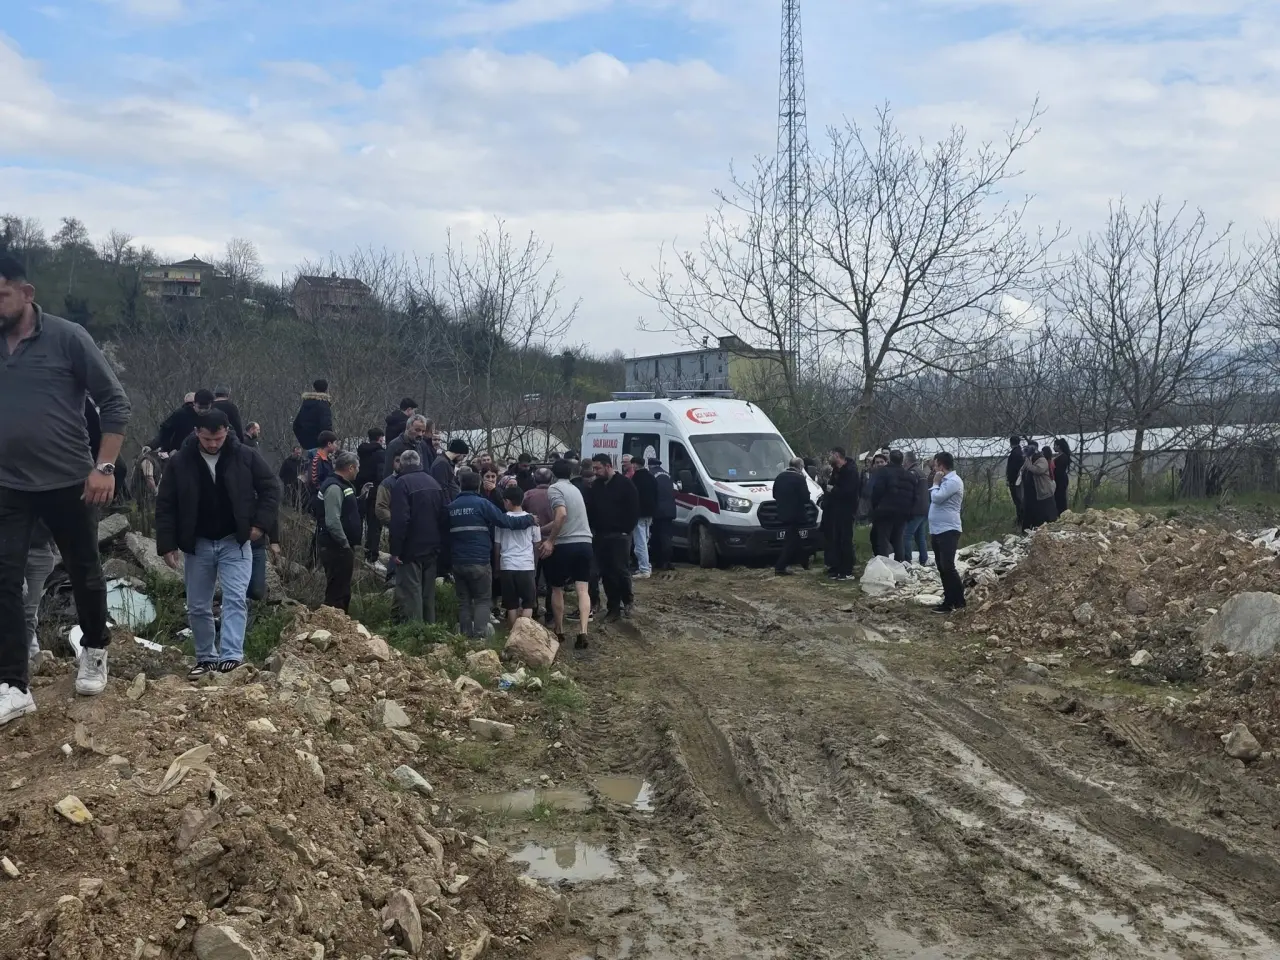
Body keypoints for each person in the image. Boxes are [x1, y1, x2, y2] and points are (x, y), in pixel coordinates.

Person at [0, 256, 131, 723]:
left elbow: (115, 402)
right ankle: (13, 684)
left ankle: (95, 649)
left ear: (27, 292)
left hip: (70, 481)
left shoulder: (67, 337)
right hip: (9, 484)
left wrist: (105, 466)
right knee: (3, 579)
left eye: (2, 296)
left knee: (84, 570)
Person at [155, 410, 280, 676]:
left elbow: (271, 487)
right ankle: (206, 658)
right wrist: (167, 543)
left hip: (234, 540)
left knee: (235, 598)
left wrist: (260, 524)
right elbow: (166, 504)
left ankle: (232, 656)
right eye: (208, 438)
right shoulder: (180, 462)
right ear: (197, 432)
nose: (213, 444)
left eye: (218, 438)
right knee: (198, 604)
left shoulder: (245, 456)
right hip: (197, 543)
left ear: (226, 432)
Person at [448, 469, 536, 639]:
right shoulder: (482, 504)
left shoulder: (451, 507)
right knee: (482, 599)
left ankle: (464, 637)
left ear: (460, 485)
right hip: (480, 560)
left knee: (464, 601)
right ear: (479, 485)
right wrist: (529, 519)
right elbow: (505, 521)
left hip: (458, 561)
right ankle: (480, 637)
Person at [389, 449, 449, 623]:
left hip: (411, 548)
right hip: (433, 546)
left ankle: (415, 631)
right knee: (427, 592)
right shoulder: (434, 482)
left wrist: (396, 550)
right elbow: (444, 514)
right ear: (419, 462)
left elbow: (400, 520)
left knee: (411, 592)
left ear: (402, 464)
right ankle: (430, 628)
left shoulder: (402, 483)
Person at [541, 458, 595, 649]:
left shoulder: (554, 489)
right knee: (583, 589)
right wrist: (542, 529)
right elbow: (564, 518)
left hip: (565, 545)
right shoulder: (575, 490)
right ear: (571, 474)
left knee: (557, 588)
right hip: (585, 543)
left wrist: (550, 540)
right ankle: (583, 631)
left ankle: (560, 629)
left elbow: (561, 515)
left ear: (553, 474)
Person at [590, 454, 639, 622]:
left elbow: (633, 509)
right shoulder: (596, 486)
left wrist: (626, 530)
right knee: (606, 573)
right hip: (601, 534)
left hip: (620, 535)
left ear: (608, 466)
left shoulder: (625, 485)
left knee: (620, 570)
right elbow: (591, 508)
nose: (595, 472)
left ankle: (628, 600)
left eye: (598, 468)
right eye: (594, 468)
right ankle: (613, 608)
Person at [315, 450, 361, 611]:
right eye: (357, 468)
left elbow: (345, 511)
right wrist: (344, 543)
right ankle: (332, 627)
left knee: (343, 590)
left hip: (340, 547)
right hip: (336, 547)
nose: (358, 471)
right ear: (350, 468)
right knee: (337, 592)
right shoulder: (334, 487)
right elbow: (333, 520)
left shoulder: (341, 485)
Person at [496, 485, 542, 624]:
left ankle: (513, 632)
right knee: (528, 602)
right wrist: (534, 564)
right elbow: (537, 544)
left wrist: (497, 567)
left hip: (507, 565)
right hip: (526, 565)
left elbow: (497, 545)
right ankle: (524, 631)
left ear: (508, 501)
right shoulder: (533, 520)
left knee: (511, 603)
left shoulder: (501, 520)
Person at [928, 452, 965, 613]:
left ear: (941, 466)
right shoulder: (944, 481)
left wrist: (935, 483)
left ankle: (957, 600)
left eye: (935, 465)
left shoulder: (953, 481)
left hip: (948, 529)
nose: (934, 469)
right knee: (941, 567)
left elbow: (937, 498)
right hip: (937, 529)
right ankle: (949, 599)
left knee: (947, 566)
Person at [523, 467, 557, 622]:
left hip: (532, 543)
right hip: (553, 540)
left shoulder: (528, 495)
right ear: (551, 480)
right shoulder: (556, 494)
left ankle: (533, 609)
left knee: (533, 578)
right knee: (552, 581)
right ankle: (551, 614)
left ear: (535, 480)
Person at [870, 450, 916, 561]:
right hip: (903, 512)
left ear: (889, 459)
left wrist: (876, 507)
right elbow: (914, 496)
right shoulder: (910, 476)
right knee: (898, 540)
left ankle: (884, 566)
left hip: (885, 511)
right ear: (902, 461)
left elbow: (877, 492)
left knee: (883, 540)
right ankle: (899, 562)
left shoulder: (884, 472)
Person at [23, 524, 59, 663]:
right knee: (16, 596)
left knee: (29, 611)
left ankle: (27, 657)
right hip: (9, 546)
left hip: (40, 547)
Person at [823, 448, 859, 580]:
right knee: (835, 539)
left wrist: (833, 490)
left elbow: (848, 492)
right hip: (835, 510)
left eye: (830, 455)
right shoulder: (836, 471)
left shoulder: (850, 471)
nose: (829, 457)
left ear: (837, 456)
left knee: (845, 540)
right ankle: (836, 567)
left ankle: (847, 570)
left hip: (846, 510)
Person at [772, 457, 812, 576]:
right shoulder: (799, 478)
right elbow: (806, 498)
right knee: (791, 541)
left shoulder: (779, 477)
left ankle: (804, 561)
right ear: (800, 467)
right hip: (796, 514)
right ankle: (780, 567)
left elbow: (774, 494)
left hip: (782, 513)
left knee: (795, 538)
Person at [152, 389, 213, 457]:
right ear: (194, 403)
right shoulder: (181, 414)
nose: (202, 411)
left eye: (206, 408)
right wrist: (156, 446)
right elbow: (165, 431)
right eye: (200, 407)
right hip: (180, 453)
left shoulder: (215, 417)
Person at [648, 456, 677, 573]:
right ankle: (668, 561)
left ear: (650, 465)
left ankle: (659, 561)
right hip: (670, 509)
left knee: (656, 537)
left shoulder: (651, 475)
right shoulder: (668, 475)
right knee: (667, 536)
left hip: (657, 510)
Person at [902, 452, 931, 566]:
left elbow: (910, 493)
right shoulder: (921, 472)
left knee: (907, 535)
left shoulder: (912, 473)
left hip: (916, 510)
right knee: (920, 535)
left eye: (904, 460)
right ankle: (924, 559)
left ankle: (907, 560)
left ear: (907, 461)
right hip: (925, 509)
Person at [631, 454, 657, 579]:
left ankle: (644, 569)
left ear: (635, 464)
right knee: (645, 540)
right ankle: (647, 565)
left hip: (639, 513)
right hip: (650, 512)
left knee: (640, 541)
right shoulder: (651, 477)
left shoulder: (636, 478)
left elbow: (633, 496)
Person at [292, 378, 334, 452]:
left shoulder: (306, 404)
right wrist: (329, 443)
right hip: (320, 447)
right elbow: (326, 427)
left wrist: (304, 442)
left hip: (307, 446)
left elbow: (296, 425)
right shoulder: (323, 405)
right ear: (326, 389)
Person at [1022, 447, 1058, 529]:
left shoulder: (1042, 460)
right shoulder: (1031, 460)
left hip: (1044, 489)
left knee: (1047, 509)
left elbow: (1039, 470)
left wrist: (1029, 466)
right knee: (1038, 511)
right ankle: (1036, 526)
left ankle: (1051, 525)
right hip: (1035, 491)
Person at [307, 431, 339, 507]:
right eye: (335, 443)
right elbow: (315, 483)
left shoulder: (327, 460)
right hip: (321, 501)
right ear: (329, 444)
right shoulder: (317, 460)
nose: (336, 446)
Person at [432, 438, 469, 502]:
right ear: (459, 453)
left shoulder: (446, 462)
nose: (462, 459)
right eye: (463, 456)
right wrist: (448, 505)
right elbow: (442, 488)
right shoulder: (442, 463)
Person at [1006, 435, 1026, 529]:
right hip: (1020, 480)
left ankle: (1020, 519)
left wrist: (1010, 480)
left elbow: (1012, 469)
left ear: (1011, 443)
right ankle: (1021, 518)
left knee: (1018, 501)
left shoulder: (1014, 454)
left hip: (1015, 481)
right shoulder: (1020, 452)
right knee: (1019, 500)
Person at [1053, 438, 1071, 516]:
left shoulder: (1063, 457)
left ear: (1058, 446)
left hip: (1060, 480)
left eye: (1055, 446)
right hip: (1059, 479)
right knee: (1058, 497)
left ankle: (1062, 514)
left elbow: (1059, 471)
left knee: (1060, 498)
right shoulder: (1060, 455)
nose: (1053, 447)